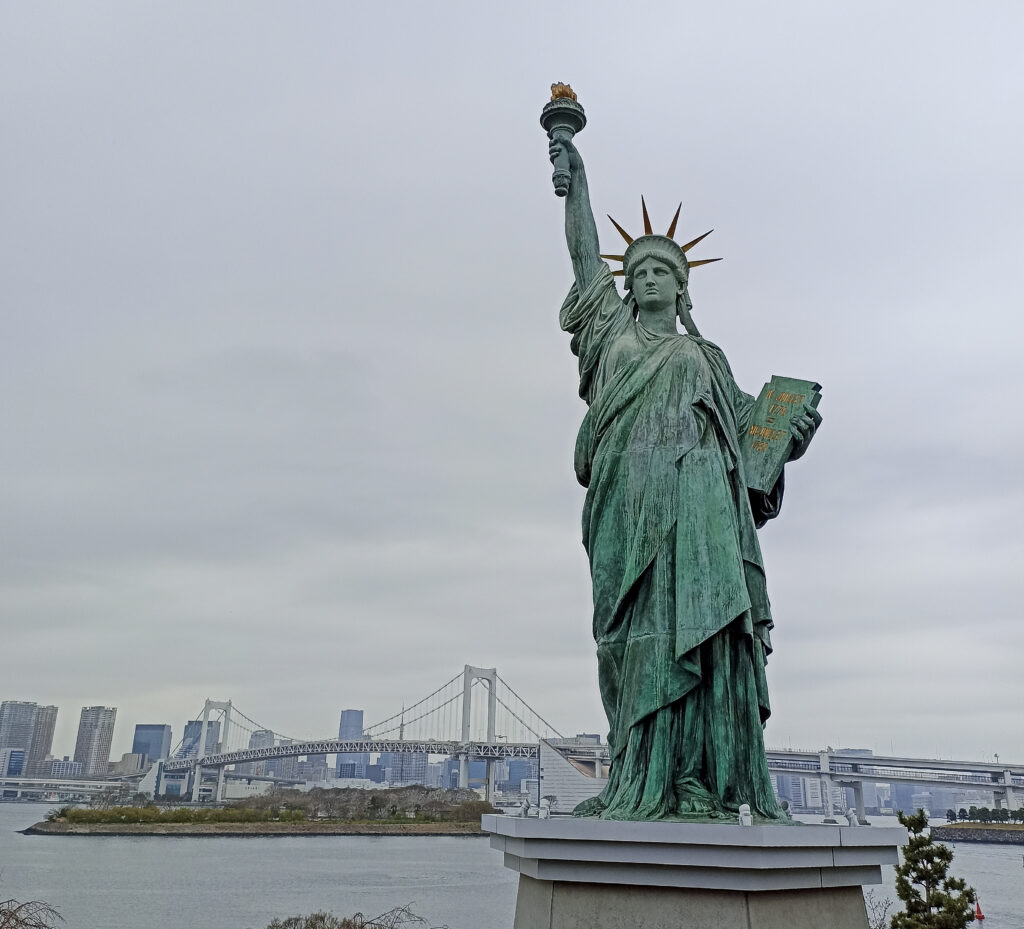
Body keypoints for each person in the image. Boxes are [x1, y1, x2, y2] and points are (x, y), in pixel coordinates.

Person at [548, 134, 820, 821]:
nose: (645, 279)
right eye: (636, 271)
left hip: (695, 521)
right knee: (628, 646)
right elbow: (585, 262)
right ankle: (634, 774)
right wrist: (575, 179)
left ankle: (691, 777)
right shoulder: (610, 336)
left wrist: (791, 434)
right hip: (623, 508)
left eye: (660, 271)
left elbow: (750, 444)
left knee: (692, 635)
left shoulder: (706, 356)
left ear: (681, 285)